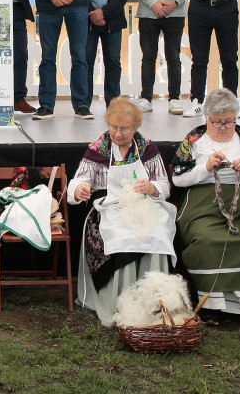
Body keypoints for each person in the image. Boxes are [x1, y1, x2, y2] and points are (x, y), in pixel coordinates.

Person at [172, 88, 240, 326]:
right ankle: (212, 305)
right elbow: (178, 179)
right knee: (207, 240)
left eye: (229, 122)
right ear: (206, 117)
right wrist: (206, 169)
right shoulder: (194, 140)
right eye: (217, 122)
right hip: (202, 204)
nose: (223, 127)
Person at [66, 97, 175, 327]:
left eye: (124, 128)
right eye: (113, 127)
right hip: (109, 209)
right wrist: (80, 190)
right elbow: (76, 183)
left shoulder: (147, 148)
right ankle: (120, 305)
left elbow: (165, 186)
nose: (117, 133)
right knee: (121, 235)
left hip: (144, 206)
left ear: (136, 127)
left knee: (157, 232)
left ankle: (156, 304)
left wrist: (152, 187)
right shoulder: (99, 149)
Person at [85, 0, 130, 119]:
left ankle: (113, 104)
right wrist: (92, 12)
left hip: (112, 21)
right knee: (85, 62)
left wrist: (104, 13)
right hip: (87, 20)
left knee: (113, 62)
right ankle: (83, 104)